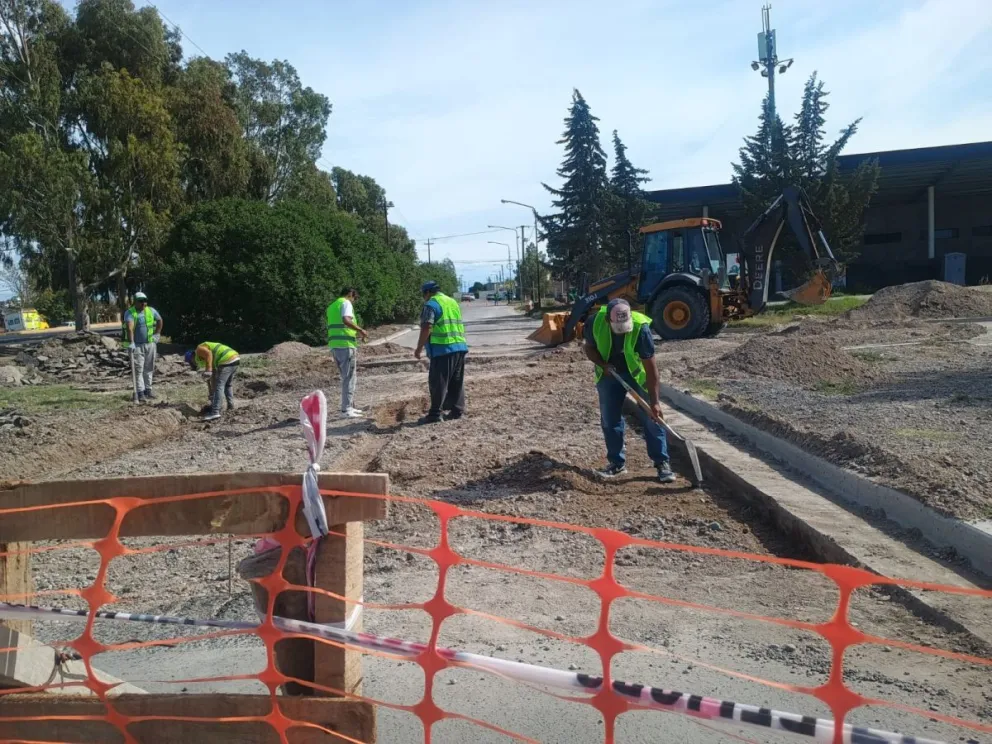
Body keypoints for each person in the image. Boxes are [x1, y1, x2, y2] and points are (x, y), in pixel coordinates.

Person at [583, 298, 676, 483]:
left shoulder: (641, 328)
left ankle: (662, 463)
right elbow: (589, 348)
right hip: (608, 374)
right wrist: (603, 365)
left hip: (636, 375)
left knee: (653, 418)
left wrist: (655, 402)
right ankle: (616, 464)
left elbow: (651, 369)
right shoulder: (594, 323)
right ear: (608, 320)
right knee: (610, 419)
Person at [414, 281, 467, 424]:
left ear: (427, 292)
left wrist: (419, 348)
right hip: (460, 346)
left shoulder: (431, 304)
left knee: (438, 382)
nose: (424, 297)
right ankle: (457, 411)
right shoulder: (452, 302)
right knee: (456, 381)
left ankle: (435, 414)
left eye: (423, 294)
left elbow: (427, 327)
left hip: (443, 349)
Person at [326, 288, 368, 419]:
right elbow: (346, 320)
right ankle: (346, 409)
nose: (354, 301)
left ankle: (349, 406)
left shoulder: (332, 306)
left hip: (335, 345)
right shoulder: (346, 303)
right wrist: (361, 330)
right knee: (349, 377)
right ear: (351, 294)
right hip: (345, 345)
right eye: (354, 298)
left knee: (346, 377)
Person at [123, 291, 163, 402]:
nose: (143, 303)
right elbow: (129, 328)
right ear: (135, 302)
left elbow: (160, 320)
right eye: (141, 301)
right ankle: (140, 392)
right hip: (137, 346)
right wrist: (131, 342)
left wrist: (157, 334)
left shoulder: (151, 310)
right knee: (138, 369)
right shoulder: (130, 313)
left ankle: (148, 390)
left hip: (150, 344)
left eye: (145, 301)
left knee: (149, 368)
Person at [185, 342, 240, 422]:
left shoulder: (199, 349)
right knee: (227, 385)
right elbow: (213, 376)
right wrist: (212, 394)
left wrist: (208, 370)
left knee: (219, 386)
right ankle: (230, 406)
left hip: (226, 359)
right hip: (235, 358)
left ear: (191, 357)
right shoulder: (209, 360)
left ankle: (215, 412)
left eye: (191, 362)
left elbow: (208, 353)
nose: (193, 363)